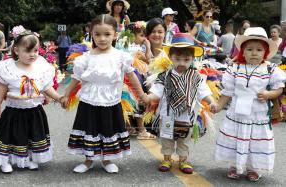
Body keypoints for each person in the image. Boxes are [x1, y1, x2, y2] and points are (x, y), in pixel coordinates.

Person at [60, 14, 146, 174]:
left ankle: (107, 160)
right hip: (88, 101)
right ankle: (88, 160)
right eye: (97, 34)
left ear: (115, 35)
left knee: (108, 129)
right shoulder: (84, 58)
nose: (102, 38)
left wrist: (142, 95)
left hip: (111, 102)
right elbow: (75, 78)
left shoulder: (121, 57)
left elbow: (132, 76)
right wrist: (65, 95)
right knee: (89, 129)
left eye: (107, 34)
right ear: (91, 34)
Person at [213, 27, 286, 181]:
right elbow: (228, 91)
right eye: (250, 49)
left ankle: (254, 168)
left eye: (259, 50)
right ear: (242, 52)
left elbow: (279, 89)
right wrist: (218, 106)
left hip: (257, 114)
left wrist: (268, 95)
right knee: (235, 137)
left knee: (255, 142)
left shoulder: (270, 69)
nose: (254, 53)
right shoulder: (235, 68)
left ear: (265, 52)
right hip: (237, 112)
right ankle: (235, 166)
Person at [0, 27, 63, 174]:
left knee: (32, 134)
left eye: (35, 50)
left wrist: (59, 98)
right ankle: (5, 160)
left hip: (34, 110)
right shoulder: (8, 68)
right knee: (9, 134)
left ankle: (27, 158)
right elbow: (2, 87)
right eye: (28, 51)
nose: (32, 55)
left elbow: (47, 87)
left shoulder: (41, 67)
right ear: (16, 50)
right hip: (13, 110)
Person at [142, 33, 216, 174]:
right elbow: (157, 92)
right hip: (168, 114)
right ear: (170, 58)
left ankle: (183, 160)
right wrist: (148, 97)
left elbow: (204, 92)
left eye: (186, 59)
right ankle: (167, 158)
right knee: (167, 138)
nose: (181, 63)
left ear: (193, 58)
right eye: (177, 59)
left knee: (184, 139)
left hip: (187, 116)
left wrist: (211, 102)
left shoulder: (196, 77)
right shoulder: (164, 76)